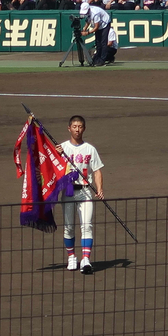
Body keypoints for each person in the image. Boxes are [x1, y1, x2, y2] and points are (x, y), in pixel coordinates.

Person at [55, 116, 104, 275]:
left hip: (84, 191)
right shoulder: (61, 148)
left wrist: (99, 189)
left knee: (86, 225)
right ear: (69, 128)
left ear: (84, 128)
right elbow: (52, 168)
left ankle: (85, 259)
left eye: (80, 126)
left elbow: (97, 171)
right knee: (69, 227)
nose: (77, 129)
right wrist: (56, 155)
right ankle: (71, 257)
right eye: (74, 126)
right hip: (68, 191)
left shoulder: (90, 149)